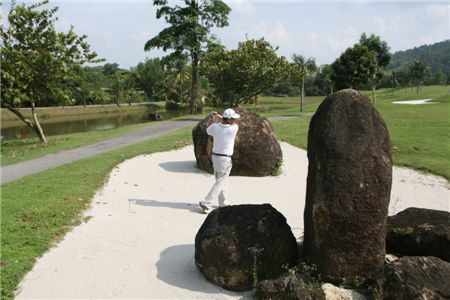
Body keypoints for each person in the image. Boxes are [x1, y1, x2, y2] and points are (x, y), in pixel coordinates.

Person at [199, 108, 240, 214]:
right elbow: (228, 122)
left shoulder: (215, 127)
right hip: (225, 159)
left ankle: (223, 202)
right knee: (220, 182)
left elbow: (208, 130)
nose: (235, 120)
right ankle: (206, 202)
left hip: (215, 158)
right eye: (233, 118)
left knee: (221, 181)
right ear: (229, 119)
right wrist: (219, 116)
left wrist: (214, 117)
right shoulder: (233, 128)